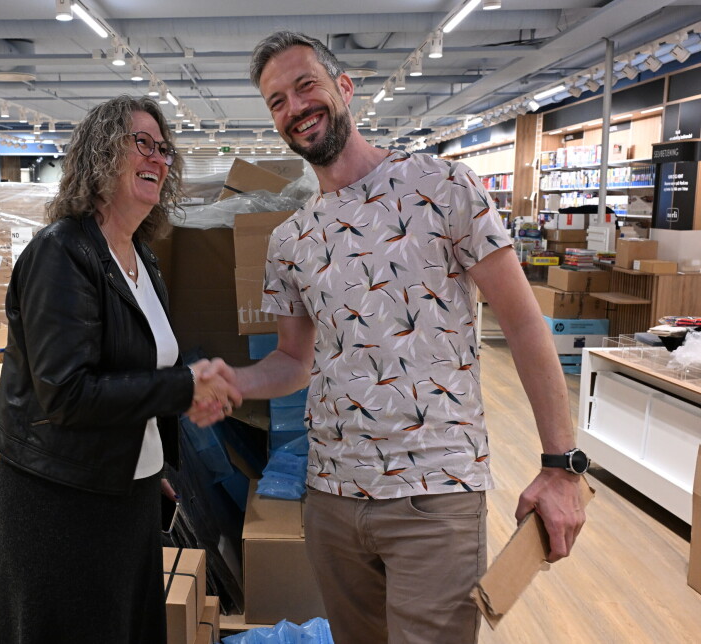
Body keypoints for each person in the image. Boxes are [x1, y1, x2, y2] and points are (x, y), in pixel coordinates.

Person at [204, 32, 588, 643]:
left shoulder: (444, 186)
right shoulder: (290, 240)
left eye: (305, 85)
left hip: (434, 494)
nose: (295, 107)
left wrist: (561, 465)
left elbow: (521, 323)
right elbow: (293, 360)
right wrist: (236, 381)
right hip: (331, 499)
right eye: (277, 100)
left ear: (344, 87)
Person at [0, 95, 238, 644]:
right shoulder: (61, 253)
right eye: (141, 143)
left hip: (125, 489)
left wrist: (152, 461)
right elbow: (67, 393)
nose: (158, 158)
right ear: (100, 153)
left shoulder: (140, 257)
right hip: (61, 498)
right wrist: (184, 388)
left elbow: (134, 370)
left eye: (163, 149)